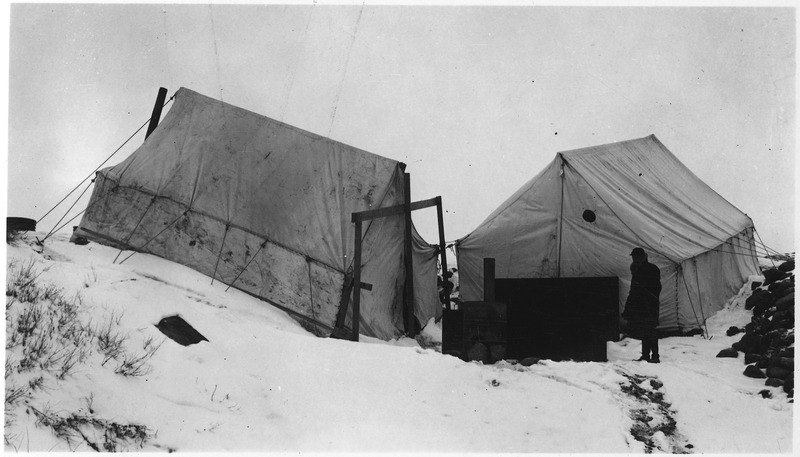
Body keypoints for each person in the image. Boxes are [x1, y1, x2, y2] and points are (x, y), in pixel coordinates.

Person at [622, 247, 662, 363]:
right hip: (641, 306)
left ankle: (655, 356)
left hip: (650, 305)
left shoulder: (651, 269)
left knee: (651, 331)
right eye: (633, 257)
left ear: (641, 257)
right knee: (646, 331)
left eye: (636, 257)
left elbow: (657, 288)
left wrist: (646, 295)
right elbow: (633, 290)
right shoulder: (636, 269)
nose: (634, 259)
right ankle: (646, 355)